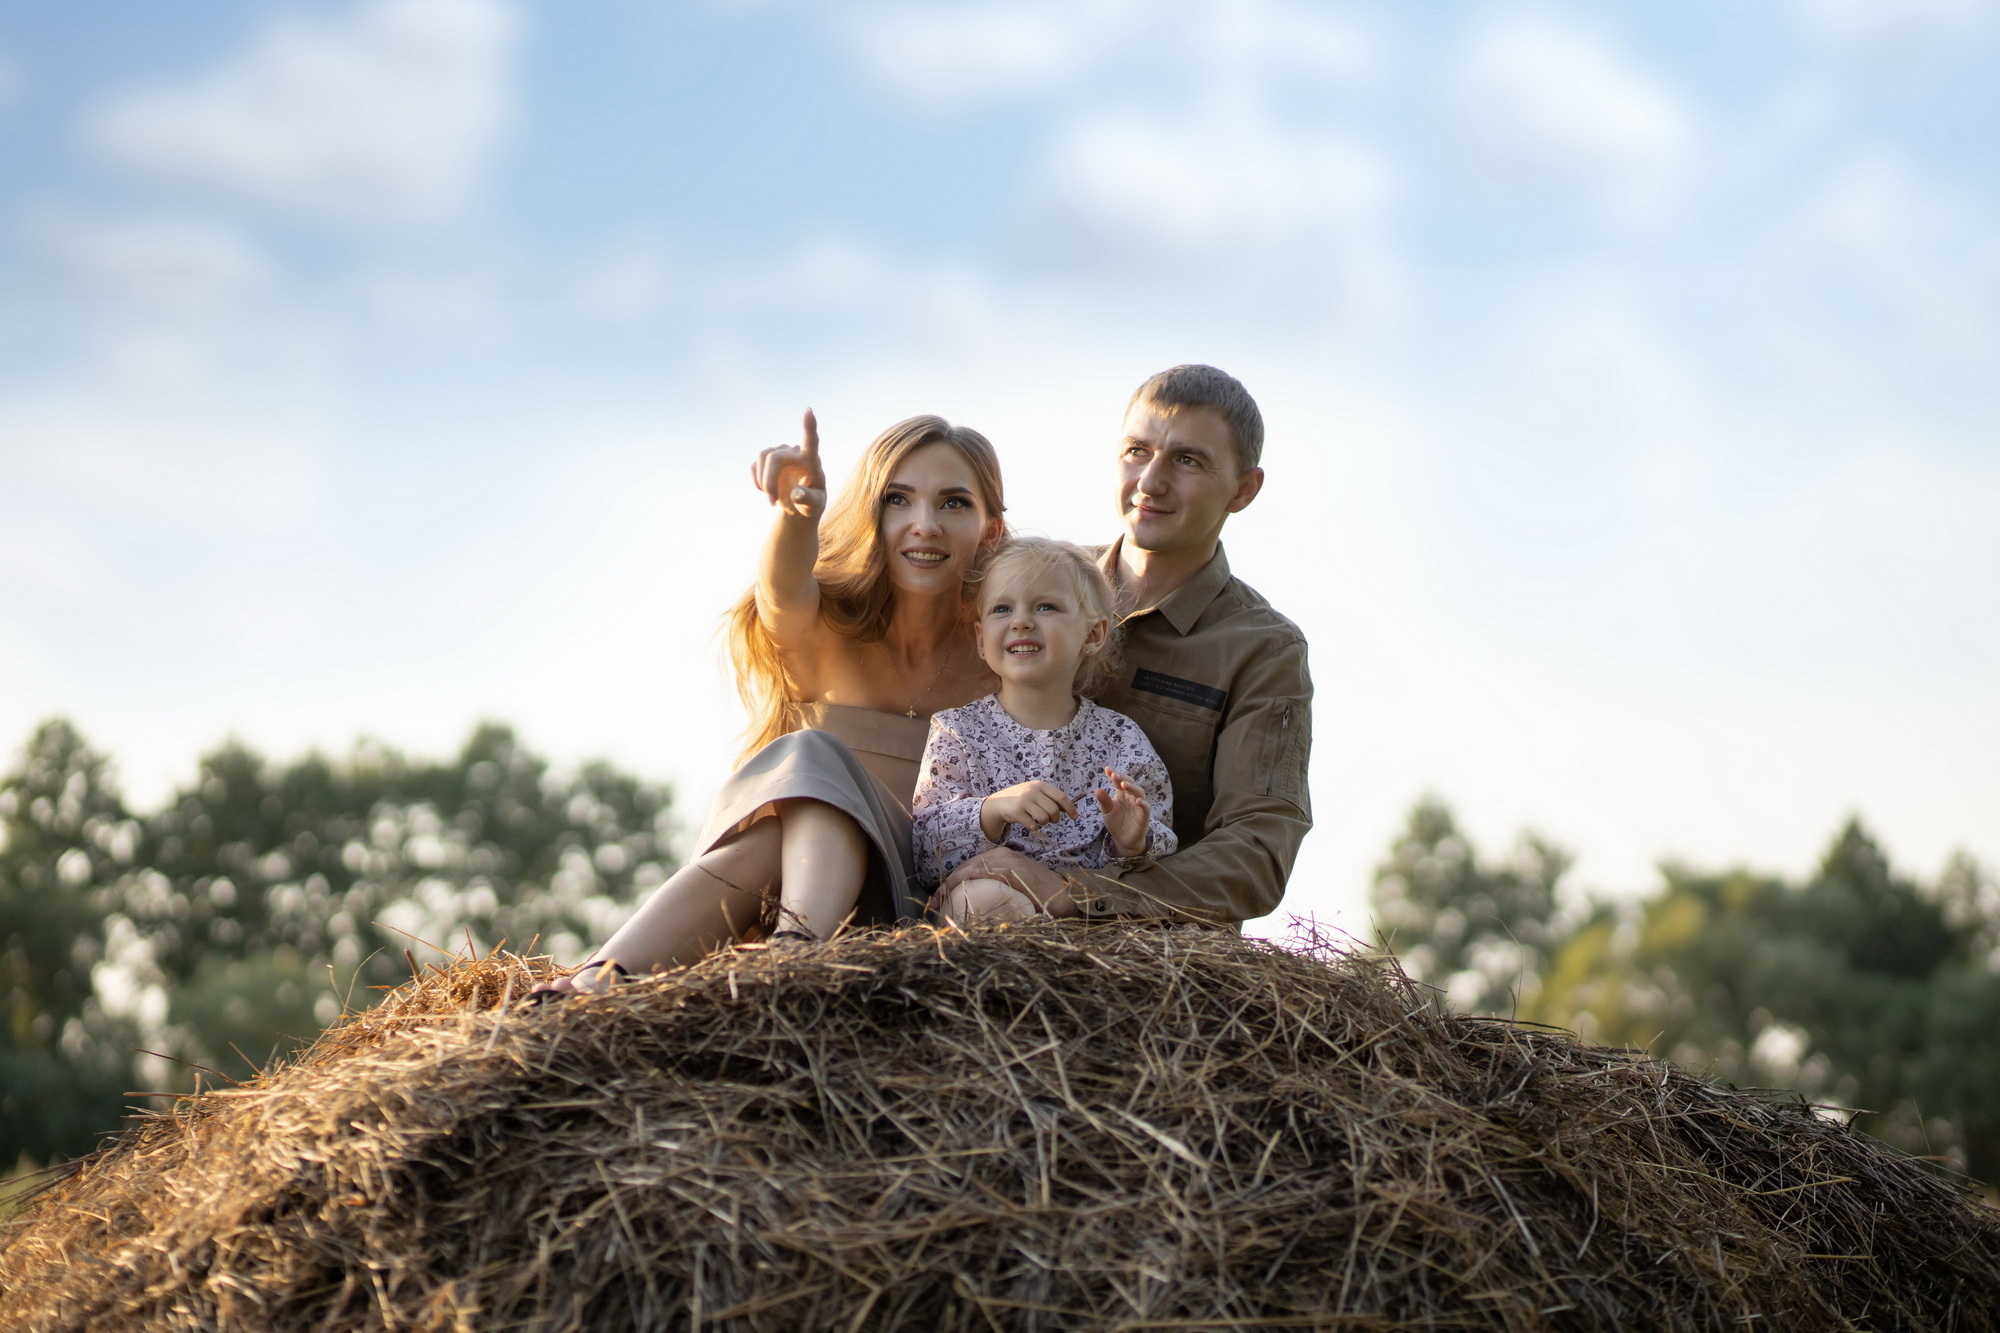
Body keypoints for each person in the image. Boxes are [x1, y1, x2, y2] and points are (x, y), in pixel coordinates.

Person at [535, 410, 1006, 996]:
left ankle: (786, 955)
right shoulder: (831, 633)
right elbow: (783, 593)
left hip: (917, 915)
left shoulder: (1007, 658)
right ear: (872, 513)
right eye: (898, 500)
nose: (925, 524)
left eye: (954, 503)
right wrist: (795, 515)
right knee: (784, 812)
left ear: (991, 530)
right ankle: (595, 984)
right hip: (797, 888)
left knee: (809, 761)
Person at [940, 365, 1311, 927]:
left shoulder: (1263, 647)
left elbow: (1256, 853)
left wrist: (1077, 892)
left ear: (1244, 489)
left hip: (1147, 964)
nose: (1150, 482)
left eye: (1187, 460)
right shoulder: (1024, 583)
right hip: (973, 906)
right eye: (1137, 451)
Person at [912, 537, 1176, 925]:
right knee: (982, 901)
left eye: (1046, 606)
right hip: (987, 909)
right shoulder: (957, 731)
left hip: (1088, 922)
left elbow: (1158, 866)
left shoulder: (1121, 740)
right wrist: (992, 809)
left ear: (1093, 635)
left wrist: (1132, 840)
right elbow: (925, 851)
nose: (1021, 621)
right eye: (1002, 608)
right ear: (981, 639)